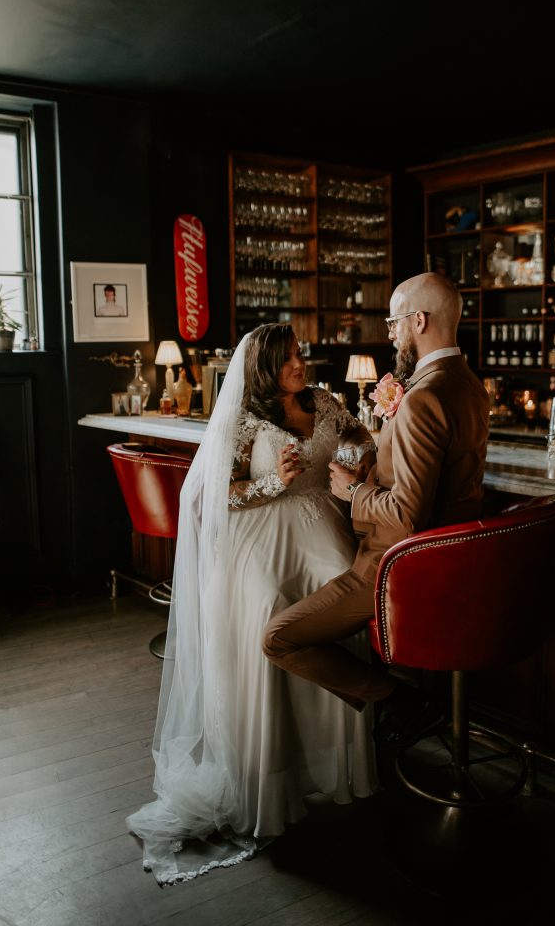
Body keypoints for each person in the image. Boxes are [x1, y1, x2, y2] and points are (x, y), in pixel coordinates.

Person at [127, 323, 379, 885]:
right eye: (288, 357)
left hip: (322, 529)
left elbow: (362, 436)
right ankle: (272, 780)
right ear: (264, 367)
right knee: (269, 614)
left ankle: (333, 764)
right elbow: (213, 494)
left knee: (339, 594)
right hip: (263, 538)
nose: (299, 362)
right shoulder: (243, 420)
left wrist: (354, 456)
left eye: (298, 353)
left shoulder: (324, 402)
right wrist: (271, 485)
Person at [263, 272, 490, 746]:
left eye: (393, 322)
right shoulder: (468, 384)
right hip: (461, 560)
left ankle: (404, 703)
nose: (390, 333)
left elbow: (408, 515)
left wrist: (352, 492)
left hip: (397, 567)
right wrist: (375, 469)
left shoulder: (423, 397)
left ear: (419, 320)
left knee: (277, 637)